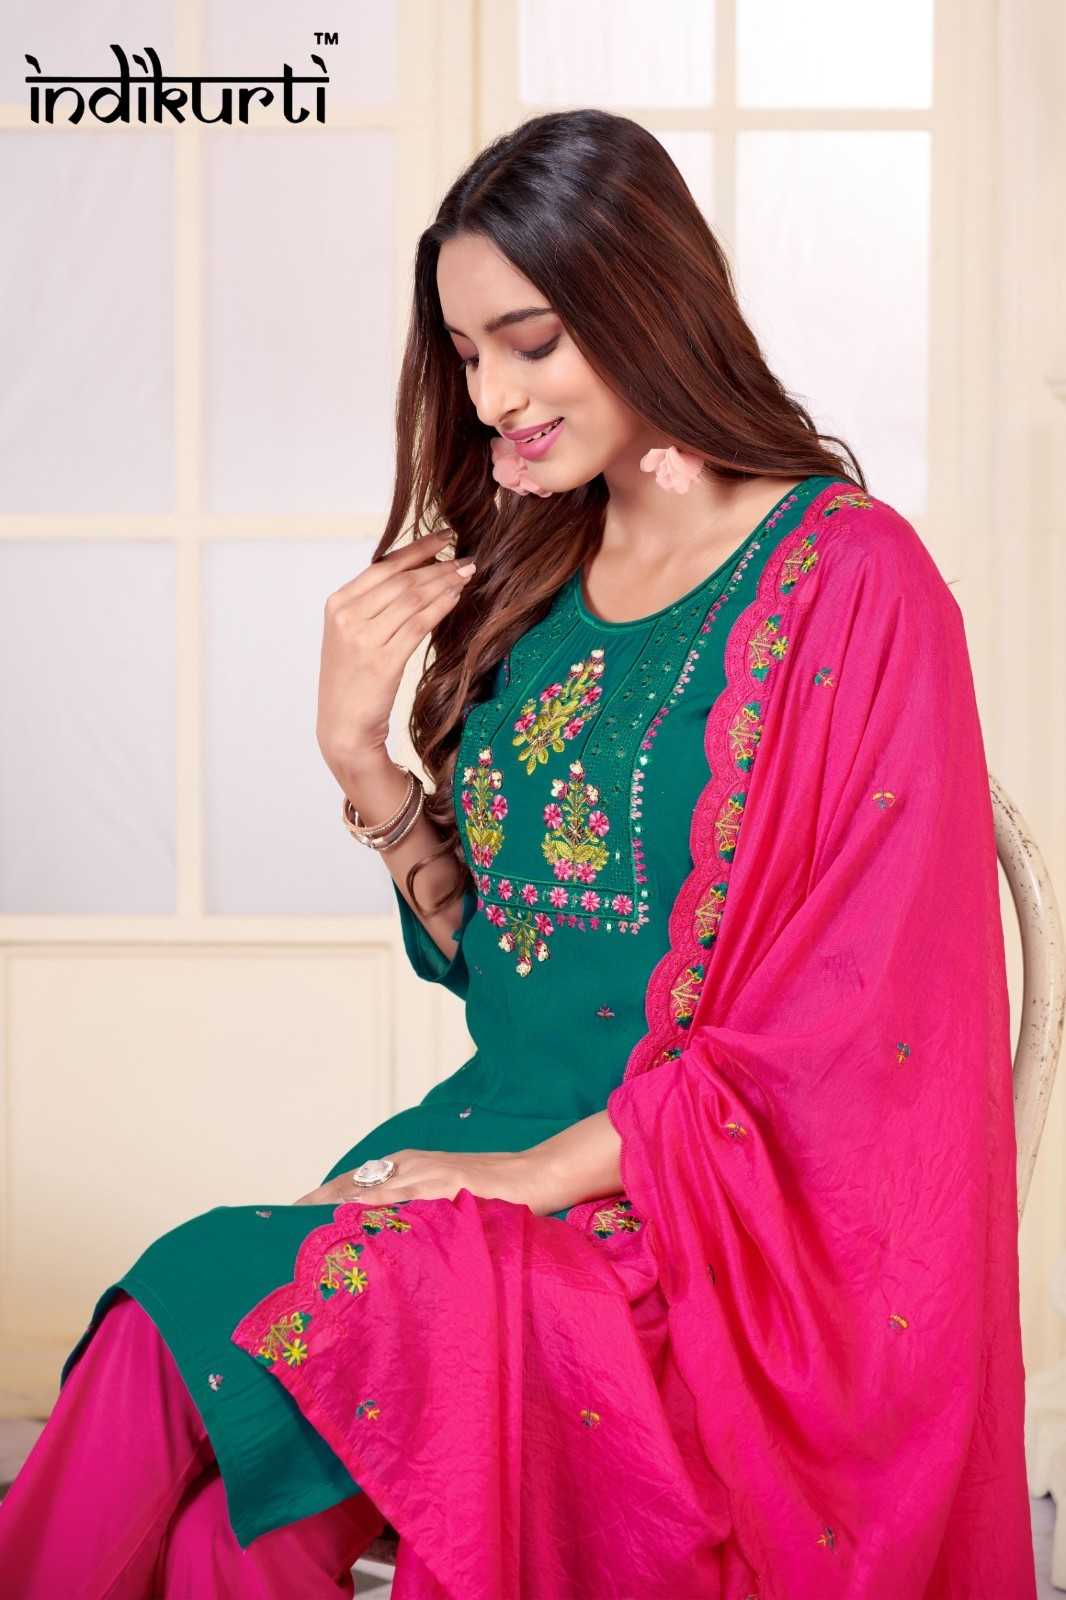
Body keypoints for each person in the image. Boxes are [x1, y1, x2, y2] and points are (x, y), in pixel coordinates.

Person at [0, 107, 1035, 1598]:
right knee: (237, 1522)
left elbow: (852, 1027)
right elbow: (509, 960)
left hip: (699, 1235)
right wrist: (361, 760)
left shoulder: (850, 582)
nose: (491, 397)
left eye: (529, 341)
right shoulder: (537, 566)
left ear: (648, 303)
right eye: (465, 353)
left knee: (178, 1319)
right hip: (486, 1158)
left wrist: (531, 1178)